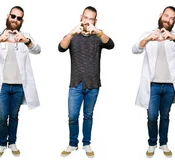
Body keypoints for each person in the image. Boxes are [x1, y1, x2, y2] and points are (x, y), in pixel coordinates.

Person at [132, 6, 175, 158]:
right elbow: (135, 49)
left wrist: (174, 38)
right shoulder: (149, 34)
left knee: (165, 116)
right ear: (161, 15)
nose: (168, 20)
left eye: (172, 18)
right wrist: (147, 39)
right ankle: (152, 143)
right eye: (166, 16)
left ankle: (163, 143)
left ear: (174, 21)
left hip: (170, 86)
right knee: (152, 116)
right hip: (152, 85)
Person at [0, 6, 42, 158]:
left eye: (19, 18)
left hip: (19, 86)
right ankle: (2, 143)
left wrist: (26, 41)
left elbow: (37, 50)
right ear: (8, 16)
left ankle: (13, 142)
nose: (15, 20)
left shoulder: (25, 36)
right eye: (13, 16)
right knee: (2, 117)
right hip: (1, 86)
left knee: (14, 116)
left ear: (22, 20)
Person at [58, 6, 115, 158]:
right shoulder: (73, 36)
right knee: (72, 116)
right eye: (86, 18)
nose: (88, 21)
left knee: (88, 116)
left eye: (91, 19)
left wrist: (99, 31)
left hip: (93, 85)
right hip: (76, 84)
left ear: (95, 21)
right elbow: (61, 48)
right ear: (81, 18)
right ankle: (72, 144)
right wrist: (71, 33)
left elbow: (111, 45)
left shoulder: (98, 37)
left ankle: (87, 144)